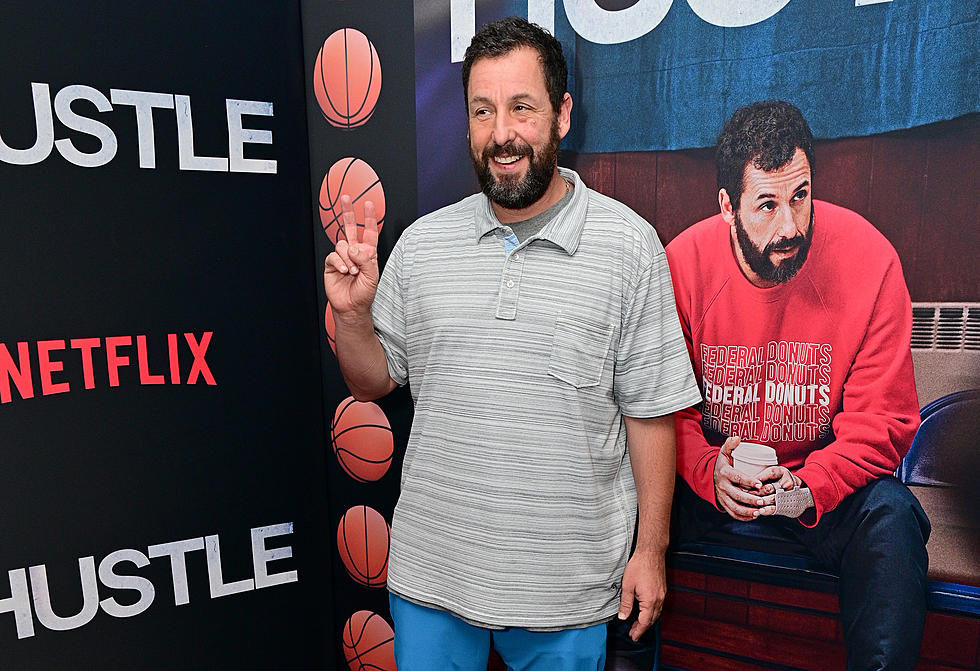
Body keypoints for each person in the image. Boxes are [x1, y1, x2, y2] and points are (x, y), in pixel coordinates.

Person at [323, 16, 700, 671]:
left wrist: (651, 549)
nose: (502, 134)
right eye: (483, 110)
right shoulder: (420, 245)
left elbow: (649, 413)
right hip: (430, 584)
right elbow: (371, 382)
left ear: (562, 115)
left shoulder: (630, 246)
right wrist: (352, 316)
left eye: (522, 108)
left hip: (569, 596)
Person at [665, 100, 931, 670]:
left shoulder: (871, 260)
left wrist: (808, 486)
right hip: (717, 477)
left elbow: (883, 422)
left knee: (892, 517)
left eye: (800, 196)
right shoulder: (682, 264)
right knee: (621, 499)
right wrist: (709, 471)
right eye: (766, 205)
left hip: (818, 481)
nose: (789, 225)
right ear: (727, 207)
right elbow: (664, 412)